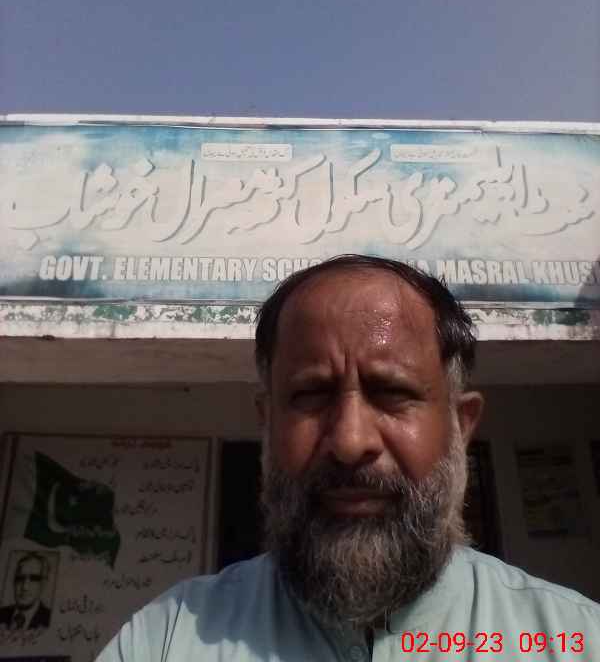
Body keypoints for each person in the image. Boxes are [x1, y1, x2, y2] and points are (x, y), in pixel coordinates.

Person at [97, 255, 600, 661]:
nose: (350, 440)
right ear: (267, 424)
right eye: (311, 395)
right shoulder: (163, 641)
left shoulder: (572, 639)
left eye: (391, 393)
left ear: (460, 425)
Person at [0, 552, 51, 631]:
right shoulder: (1, 613)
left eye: (34, 579)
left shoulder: (49, 619)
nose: (25, 587)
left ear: (44, 584)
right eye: (20, 578)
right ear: (14, 582)